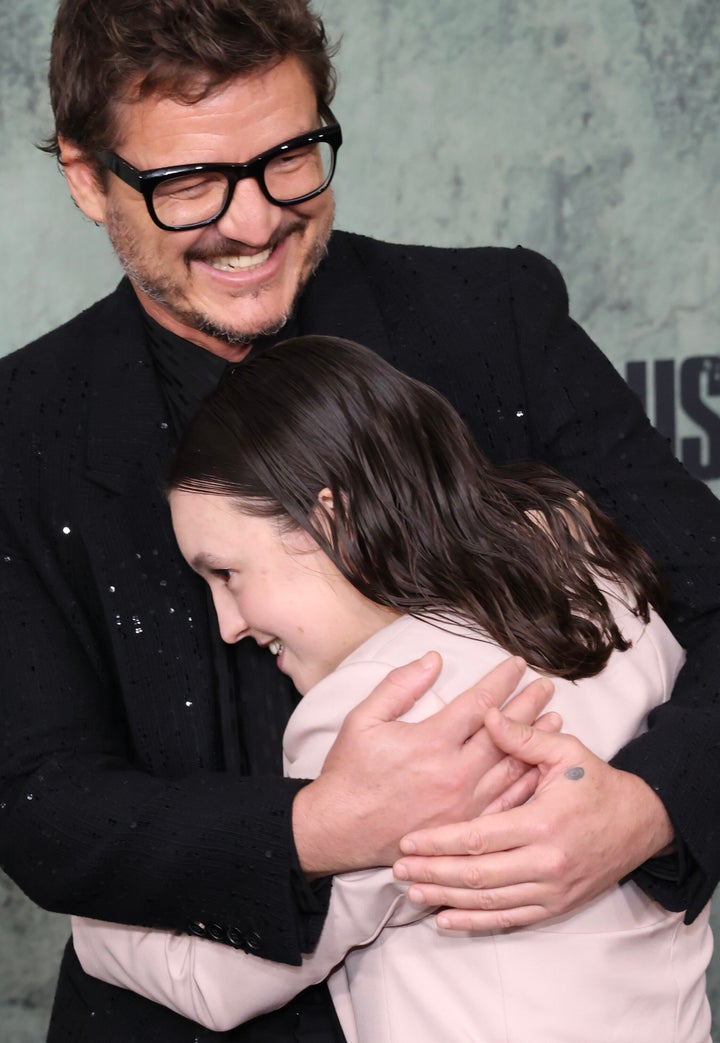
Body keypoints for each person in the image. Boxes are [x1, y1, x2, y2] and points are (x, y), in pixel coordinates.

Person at [0, 0, 718, 1039]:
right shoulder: (21, 434)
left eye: (288, 156)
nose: (251, 221)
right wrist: (319, 825)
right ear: (85, 177)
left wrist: (648, 809)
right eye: (188, 181)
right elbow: (36, 798)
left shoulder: (495, 319)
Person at [71, 336, 713, 1042]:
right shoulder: (603, 583)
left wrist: (90, 907)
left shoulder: (381, 712)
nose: (228, 624)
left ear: (329, 520)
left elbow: (217, 981)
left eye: (227, 573)